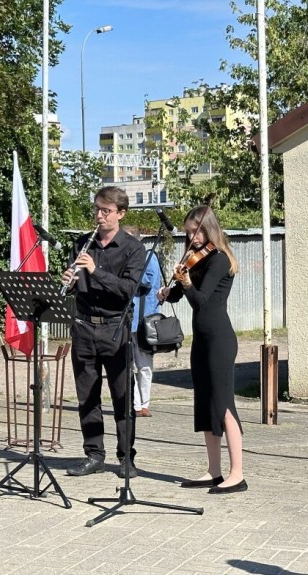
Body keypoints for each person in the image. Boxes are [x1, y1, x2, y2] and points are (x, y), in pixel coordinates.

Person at [158, 205, 246, 494]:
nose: (193, 239)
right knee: (206, 405)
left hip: (220, 339)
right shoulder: (197, 261)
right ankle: (214, 470)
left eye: (196, 232)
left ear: (209, 228)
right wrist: (168, 292)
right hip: (202, 340)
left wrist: (185, 280)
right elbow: (180, 296)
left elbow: (201, 300)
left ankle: (238, 474)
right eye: (188, 234)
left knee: (223, 405)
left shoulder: (219, 259)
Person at [62, 186, 146, 479]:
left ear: (121, 214)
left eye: (105, 211)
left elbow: (128, 290)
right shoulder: (83, 244)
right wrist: (70, 280)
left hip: (115, 329)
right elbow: (75, 280)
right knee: (87, 397)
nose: (99, 215)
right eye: (97, 209)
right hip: (84, 326)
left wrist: (96, 271)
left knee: (122, 397)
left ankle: (126, 458)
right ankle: (94, 455)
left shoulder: (133, 249)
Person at [123, 226, 162, 418]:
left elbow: (147, 281)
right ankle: (132, 403)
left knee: (144, 365)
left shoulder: (149, 257)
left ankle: (142, 404)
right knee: (126, 364)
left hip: (143, 320)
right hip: (125, 319)